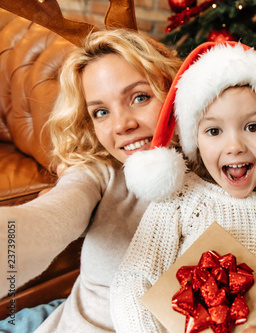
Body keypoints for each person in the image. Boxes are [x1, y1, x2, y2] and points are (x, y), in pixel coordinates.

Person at [110, 42, 256, 333]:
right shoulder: (179, 199)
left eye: (253, 127)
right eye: (214, 131)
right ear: (196, 141)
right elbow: (133, 279)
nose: (234, 146)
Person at [0, 29, 182, 332]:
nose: (123, 124)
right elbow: (48, 218)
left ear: (174, 89)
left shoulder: (226, 171)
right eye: (101, 112)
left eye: (140, 97)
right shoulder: (98, 172)